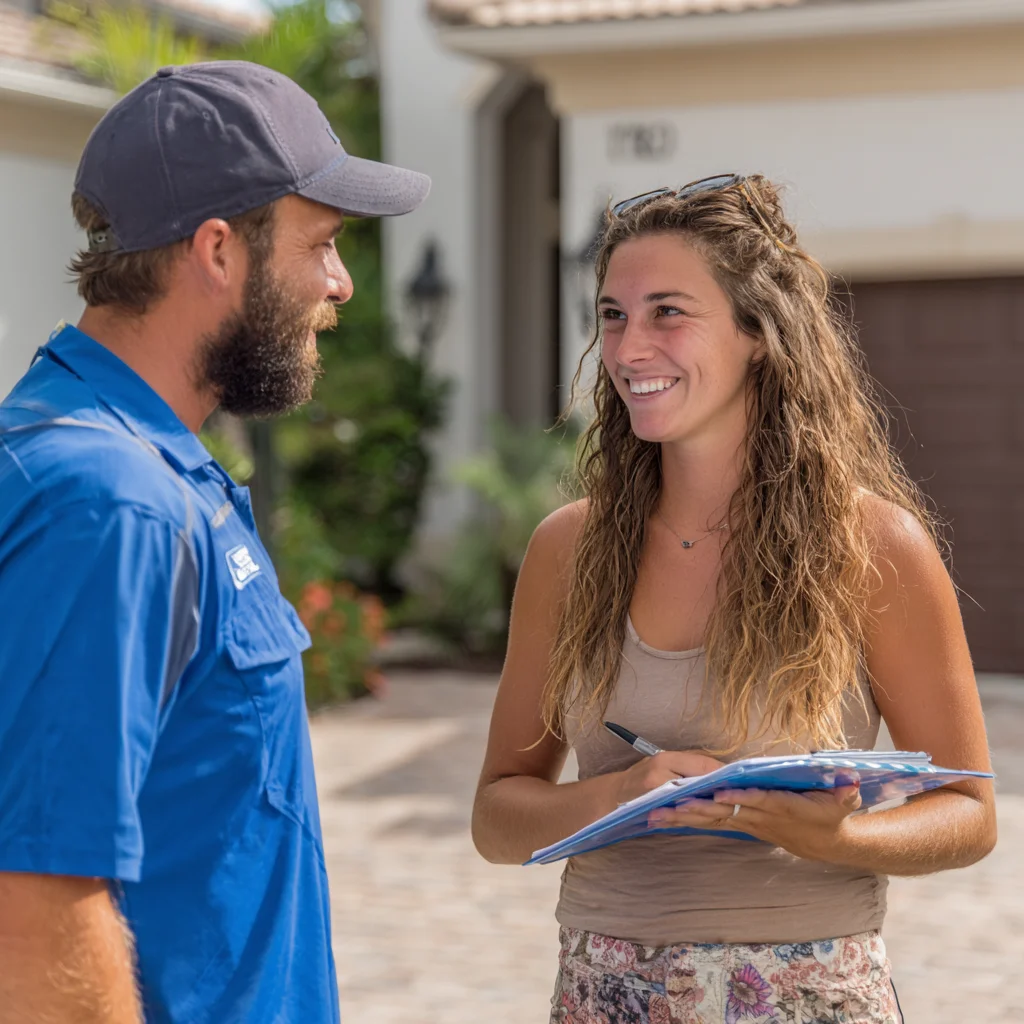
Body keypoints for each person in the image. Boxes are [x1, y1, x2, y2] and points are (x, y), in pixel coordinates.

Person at [471, 174, 996, 1024]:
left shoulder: (873, 546)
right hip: (606, 992)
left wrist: (839, 837)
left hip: (813, 992)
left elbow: (969, 815)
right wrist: (623, 793)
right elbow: (498, 816)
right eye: (613, 315)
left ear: (758, 333)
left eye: (667, 312)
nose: (629, 346)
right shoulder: (566, 550)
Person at [0, 61, 429, 1023]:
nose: (341, 282)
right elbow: (32, 906)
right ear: (218, 251)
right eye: (321, 244)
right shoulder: (111, 503)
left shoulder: (138, 468)